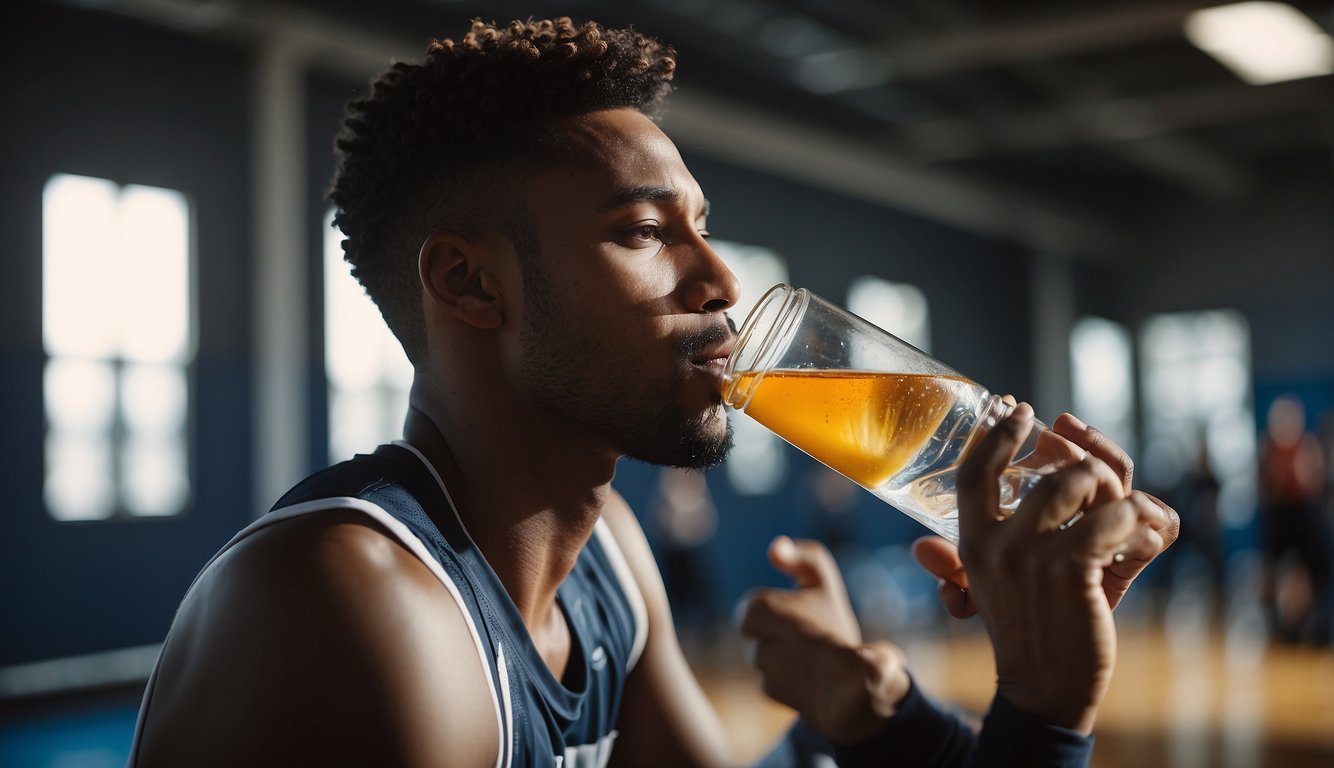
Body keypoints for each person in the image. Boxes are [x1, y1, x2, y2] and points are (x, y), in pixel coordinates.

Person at [127, 17, 1177, 767]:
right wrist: (1038, 716)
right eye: (641, 233)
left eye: (701, 229)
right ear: (467, 283)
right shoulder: (354, 611)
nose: (720, 283)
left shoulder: (608, 559)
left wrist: (873, 718)